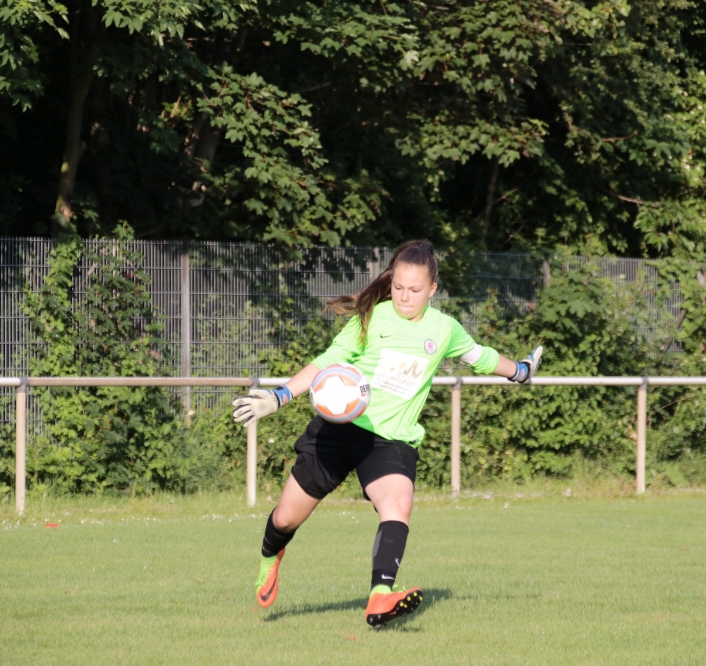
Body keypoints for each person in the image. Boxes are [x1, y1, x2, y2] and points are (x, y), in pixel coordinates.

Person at [232, 240, 542, 628]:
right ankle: (270, 557)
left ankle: (380, 596)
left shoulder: (444, 329)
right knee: (284, 519)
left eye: (415, 290)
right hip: (337, 431)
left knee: (398, 503)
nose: (404, 297)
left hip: (390, 440)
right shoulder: (371, 318)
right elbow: (328, 361)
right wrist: (279, 396)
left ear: (432, 289)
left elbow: (481, 356)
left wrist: (520, 371)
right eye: (398, 287)